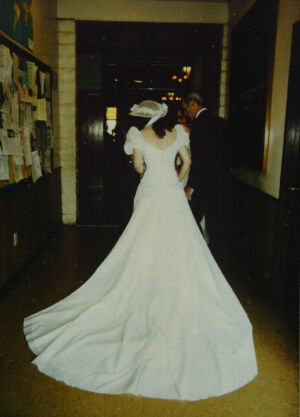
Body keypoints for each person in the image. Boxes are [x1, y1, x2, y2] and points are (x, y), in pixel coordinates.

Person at [23, 100, 258, 401]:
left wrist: (150, 172)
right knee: (181, 247)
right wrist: (175, 180)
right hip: (172, 196)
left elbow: (137, 166)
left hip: (150, 195)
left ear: (145, 117)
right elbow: (187, 162)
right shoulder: (178, 134)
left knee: (141, 244)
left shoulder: (137, 134)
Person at [182, 91, 233, 264]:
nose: (187, 113)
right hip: (221, 183)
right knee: (216, 226)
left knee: (191, 221)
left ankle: (196, 259)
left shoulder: (197, 124)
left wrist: (190, 185)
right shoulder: (221, 123)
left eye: (187, 109)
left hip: (203, 185)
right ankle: (217, 263)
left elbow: (198, 159)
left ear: (194, 105)